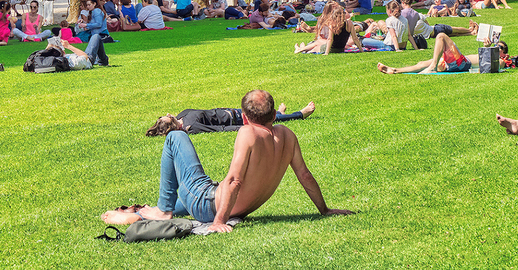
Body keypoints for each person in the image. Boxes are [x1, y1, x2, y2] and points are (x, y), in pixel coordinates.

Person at [104, 90, 353, 231]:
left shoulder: (248, 133)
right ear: (275, 115)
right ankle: (140, 215)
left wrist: (219, 222)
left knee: (176, 136)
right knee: (189, 198)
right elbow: (305, 175)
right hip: (226, 202)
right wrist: (325, 209)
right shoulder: (287, 135)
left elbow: (234, 181)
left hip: (209, 204)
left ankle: (162, 211)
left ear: (244, 118)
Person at [146, 102, 316, 136]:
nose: (169, 114)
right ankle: (300, 114)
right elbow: (219, 129)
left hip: (231, 111)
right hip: (237, 120)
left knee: (264, 113)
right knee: (267, 121)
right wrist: (245, 128)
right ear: (173, 126)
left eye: (166, 115)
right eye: (169, 119)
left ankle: (279, 112)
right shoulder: (192, 127)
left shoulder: (182, 115)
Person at [376, 33, 496, 74]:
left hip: (462, 63)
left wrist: (488, 48)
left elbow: (491, 66)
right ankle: (395, 70)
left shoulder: (500, 60)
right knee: (422, 63)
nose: (497, 47)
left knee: (441, 36)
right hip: (456, 62)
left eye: (499, 47)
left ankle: (433, 67)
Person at [76, 0, 110, 66]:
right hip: (95, 33)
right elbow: (93, 23)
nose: (88, 7)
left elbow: (98, 24)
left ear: (94, 4)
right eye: (87, 5)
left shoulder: (97, 11)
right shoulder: (93, 11)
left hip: (101, 33)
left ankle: (97, 59)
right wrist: (83, 23)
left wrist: (86, 25)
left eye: (89, 5)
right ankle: (100, 60)